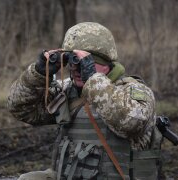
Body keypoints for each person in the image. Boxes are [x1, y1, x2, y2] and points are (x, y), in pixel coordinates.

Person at [8, 22, 162, 180]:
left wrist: (93, 81)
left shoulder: (133, 90)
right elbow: (21, 109)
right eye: (71, 60)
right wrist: (38, 74)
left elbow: (131, 123)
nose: (75, 68)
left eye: (83, 62)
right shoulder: (68, 90)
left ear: (105, 62)